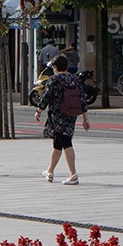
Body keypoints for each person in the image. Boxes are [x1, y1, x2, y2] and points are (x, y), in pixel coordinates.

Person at [38, 54, 90, 184]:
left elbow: (46, 97)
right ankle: (50, 171)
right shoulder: (75, 79)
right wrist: (85, 118)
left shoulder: (53, 79)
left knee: (66, 142)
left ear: (55, 67)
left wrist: (38, 111)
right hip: (71, 115)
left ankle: (73, 174)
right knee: (58, 143)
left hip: (57, 115)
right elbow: (82, 99)